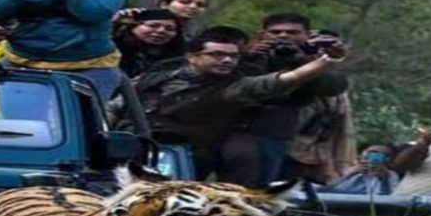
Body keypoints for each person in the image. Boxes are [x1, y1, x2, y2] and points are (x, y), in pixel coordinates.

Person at [108, 31, 348, 181]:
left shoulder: (236, 86)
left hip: (182, 156)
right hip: (125, 148)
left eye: (232, 56)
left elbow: (289, 79)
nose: (226, 60)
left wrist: (327, 60)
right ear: (193, 57)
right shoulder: (157, 76)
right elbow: (116, 106)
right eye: (216, 55)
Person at [239, 13, 355, 185]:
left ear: (307, 36)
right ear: (263, 34)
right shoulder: (248, 56)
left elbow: (334, 87)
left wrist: (303, 61)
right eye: (275, 32)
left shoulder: (312, 59)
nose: (283, 36)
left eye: (292, 32)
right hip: (251, 134)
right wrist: (247, 56)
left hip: (297, 140)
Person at [113, 8, 183, 77]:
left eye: (169, 29)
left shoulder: (177, 61)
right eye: (153, 26)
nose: (161, 31)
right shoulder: (112, 47)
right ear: (133, 27)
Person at [321, 143, 400, 196]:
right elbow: (321, 189)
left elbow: (385, 198)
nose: (376, 157)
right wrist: (351, 174)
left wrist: (384, 180)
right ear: (362, 154)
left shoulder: (390, 175)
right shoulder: (343, 169)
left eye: (385, 155)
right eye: (372, 153)